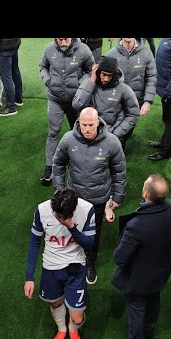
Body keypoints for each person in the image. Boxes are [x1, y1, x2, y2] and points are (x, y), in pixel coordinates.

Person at [105, 174, 171, 339]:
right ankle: (149, 329)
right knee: (154, 298)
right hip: (161, 269)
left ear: (145, 193)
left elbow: (120, 258)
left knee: (136, 309)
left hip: (139, 277)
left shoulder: (136, 226)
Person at [52, 107, 127, 285]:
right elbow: (58, 164)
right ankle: (71, 259)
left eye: (91, 125)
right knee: (71, 229)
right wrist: (59, 190)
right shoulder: (68, 139)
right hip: (73, 199)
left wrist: (117, 197)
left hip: (98, 201)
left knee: (93, 235)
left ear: (98, 122)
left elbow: (120, 172)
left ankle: (90, 263)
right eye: (84, 124)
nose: (87, 129)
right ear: (79, 122)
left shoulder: (112, 142)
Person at [24, 187, 96, 339]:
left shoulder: (87, 209)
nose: (59, 220)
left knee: (77, 318)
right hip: (51, 267)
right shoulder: (42, 210)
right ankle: (62, 329)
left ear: (73, 210)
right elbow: (35, 243)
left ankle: (73, 329)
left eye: (64, 217)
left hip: (76, 267)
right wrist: (29, 277)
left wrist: (71, 226)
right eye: (57, 215)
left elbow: (90, 244)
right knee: (55, 302)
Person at [39, 38, 94, 185]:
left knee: (77, 132)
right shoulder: (49, 49)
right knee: (53, 133)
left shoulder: (83, 50)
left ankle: (79, 164)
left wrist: (79, 84)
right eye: (60, 39)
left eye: (66, 39)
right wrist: (48, 80)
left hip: (75, 100)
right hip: (55, 99)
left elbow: (91, 69)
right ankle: (49, 167)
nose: (63, 42)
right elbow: (42, 66)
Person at [72, 56, 140, 149]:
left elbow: (133, 114)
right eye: (104, 74)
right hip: (90, 134)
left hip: (112, 136)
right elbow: (77, 105)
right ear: (98, 72)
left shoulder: (124, 89)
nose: (106, 79)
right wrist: (92, 82)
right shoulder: (88, 83)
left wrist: (116, 134)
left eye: (110, 75)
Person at [107, 38, 157, 118]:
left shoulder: (146, 53)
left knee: (128, 128)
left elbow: (151, 78)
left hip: (136, 103)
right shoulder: (111, 54)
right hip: (115, 103)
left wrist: (147, 101)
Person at [0, 38, 23, 117]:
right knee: (15, 70)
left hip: (4, 47)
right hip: (15, 43)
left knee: (6, 76)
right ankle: (18, 98)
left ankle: (11, 107)